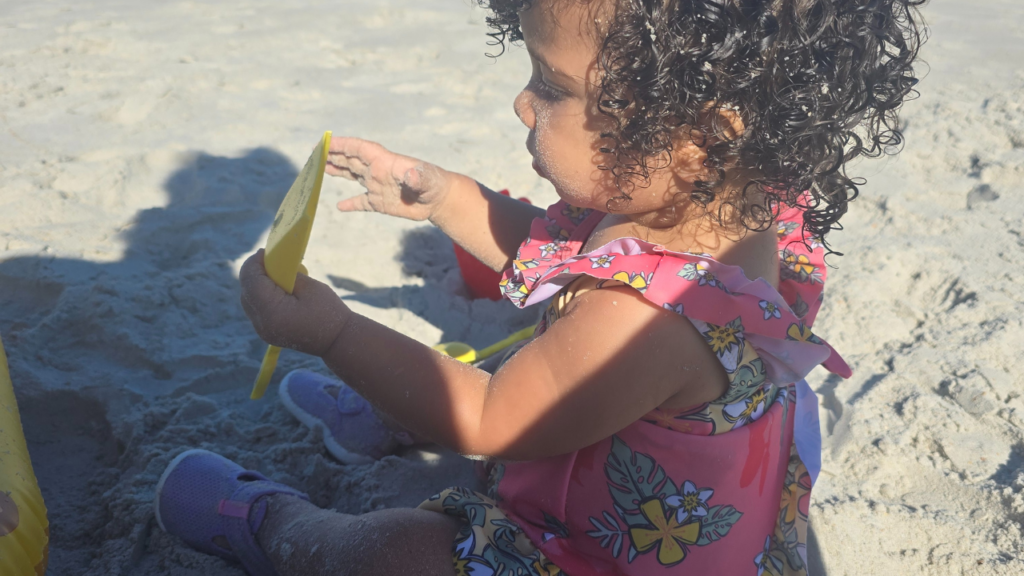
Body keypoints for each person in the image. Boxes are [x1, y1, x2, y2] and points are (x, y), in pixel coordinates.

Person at [153, 0, 924, 573]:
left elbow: (492, 421)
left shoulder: (642, 320)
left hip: (600, 552)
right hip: (663, 474)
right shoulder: (727, 205)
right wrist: (445, 197)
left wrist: (333, 334)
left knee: (405, 552)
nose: (523, 103)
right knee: (540, 358)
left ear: (700, 141)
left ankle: (284, 529)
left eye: (553, 88)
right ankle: (387, 411)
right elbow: (557, 245)